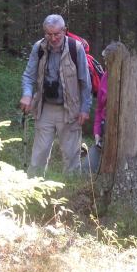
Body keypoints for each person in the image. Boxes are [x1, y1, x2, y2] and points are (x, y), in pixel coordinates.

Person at [19, 14, 92, 174]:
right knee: (39, 155)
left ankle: (71, 187)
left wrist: (85, 109)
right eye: (49, 34)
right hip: (45, 107)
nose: (53, 38)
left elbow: (85, 82)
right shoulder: (39, 48)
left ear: (64, 30)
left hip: (70, 109)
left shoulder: (76, 48)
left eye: (56, 34)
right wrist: (27, 94)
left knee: (72, 157)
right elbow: (29, 76)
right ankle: (34, 185)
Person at [88, 66, 137, 174]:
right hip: (107, 132)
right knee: (87, 170)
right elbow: (99, 109)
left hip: (131, 134)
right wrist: (97, 133)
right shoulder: (106, 76)